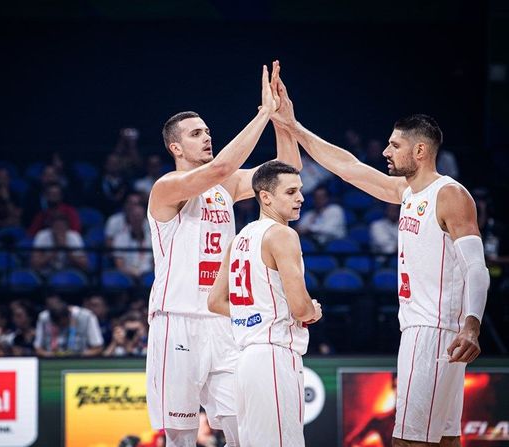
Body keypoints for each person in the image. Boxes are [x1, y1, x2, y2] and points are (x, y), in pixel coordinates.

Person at [274, 73, 489, 446]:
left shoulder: (450, 194)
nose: (386, 152)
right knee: (444, 440)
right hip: (428, 330)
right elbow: (347, 166)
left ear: (419, 151)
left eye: (394, 145)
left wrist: (472, 325)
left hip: (434, 330)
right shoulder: (407, 192)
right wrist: (294, 127)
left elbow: (477, 267)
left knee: (407, 440)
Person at [145, 61, 300, 447]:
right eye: (196, 134)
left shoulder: (225, 185)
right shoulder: (167, 187)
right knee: (179, 436)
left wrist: (282, 119)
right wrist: (262, 113)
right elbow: (223, 166)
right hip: (176, 320)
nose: (206, 137)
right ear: (175, 147)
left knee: (239, 428)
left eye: (208, 131)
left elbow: (287, 170)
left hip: (223, 320)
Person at [208, 161, 322, 446]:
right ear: (266, 196)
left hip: (245, 360)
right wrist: (313, 311)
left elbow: (215, 301)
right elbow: (300, 308)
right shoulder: (283, 234)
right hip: (273, 357)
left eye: (301, 191)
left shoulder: (239, 239)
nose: (301, 198)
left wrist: (253, 314)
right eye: (291, 192)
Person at [34, 294, 103, 357]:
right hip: (50, 360)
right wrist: (51, 355)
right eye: (58, 325)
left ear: (69, 316)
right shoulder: (44, 318)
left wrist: (76, 355)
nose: (62, 327)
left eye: (64, 324)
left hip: (80, 360)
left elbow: (98, 348)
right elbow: (38, 349)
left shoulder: (87, 316)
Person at [113, 204, 153, 282]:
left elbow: (154, 262)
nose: (137, 219)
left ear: (144, 218)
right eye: (134, 216)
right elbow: (119, 264)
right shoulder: (120, 238)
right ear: (129, 218)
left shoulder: (151, 237)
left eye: (139, 216)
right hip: (127, 275)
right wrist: (131, 273)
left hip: (147, 274)